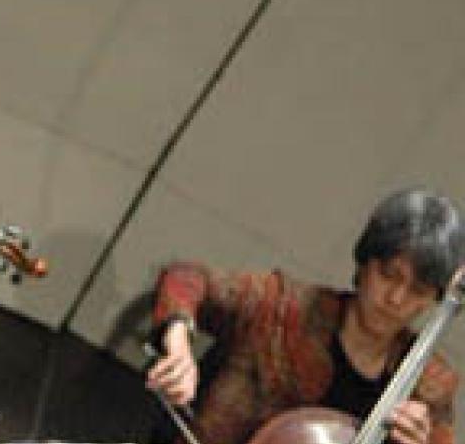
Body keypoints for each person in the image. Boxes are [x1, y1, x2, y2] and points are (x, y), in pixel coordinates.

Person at [146, 188, 465, 444]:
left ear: (433, 300)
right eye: (388, 275)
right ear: (365, 263)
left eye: (418, 290)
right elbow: (186, 279)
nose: (396, 298)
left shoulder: (429, 386)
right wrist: (178, 347)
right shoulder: (283, 308)